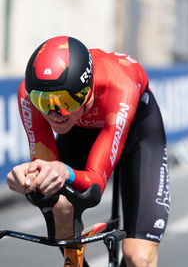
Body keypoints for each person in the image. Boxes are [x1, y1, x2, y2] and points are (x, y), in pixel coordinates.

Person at [7, 36, 170, 267]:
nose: (55, 114)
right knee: (60, 207)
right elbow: (45, 174)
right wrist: (29, 179)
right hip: (79, 130)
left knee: (139, 258)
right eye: (44, 102)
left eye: (64, 100)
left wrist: (67, 172)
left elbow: (94, 186)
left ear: (88, 91)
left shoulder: (118, 86)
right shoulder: (29, 95)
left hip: (136, 131)